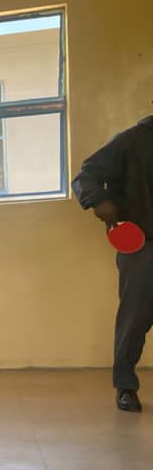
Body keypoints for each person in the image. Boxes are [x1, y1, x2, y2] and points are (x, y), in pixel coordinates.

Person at [73, 112, 153, 412]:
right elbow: (86, 175)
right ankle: (126, 386)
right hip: (144, 245)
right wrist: (99, 200)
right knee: (135, 320)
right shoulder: (131, 141)